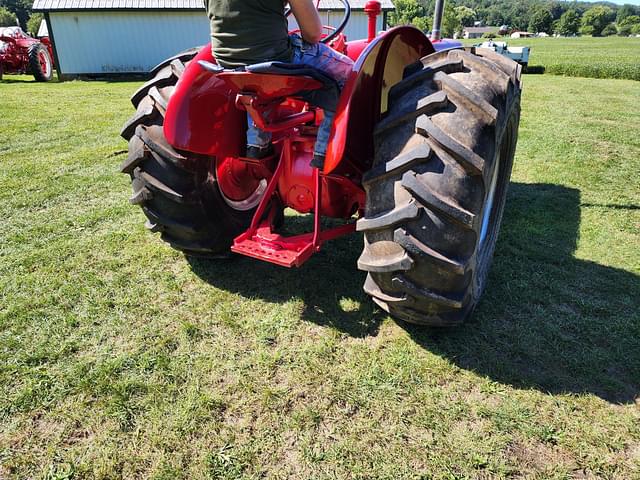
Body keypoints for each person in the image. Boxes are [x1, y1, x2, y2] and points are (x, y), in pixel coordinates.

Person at [204, 0, 354, 168]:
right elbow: (313, 34)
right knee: (350, 73)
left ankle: (256, 146)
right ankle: (326, 153)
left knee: (253, 75)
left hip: (227, 63)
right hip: (273, 58)